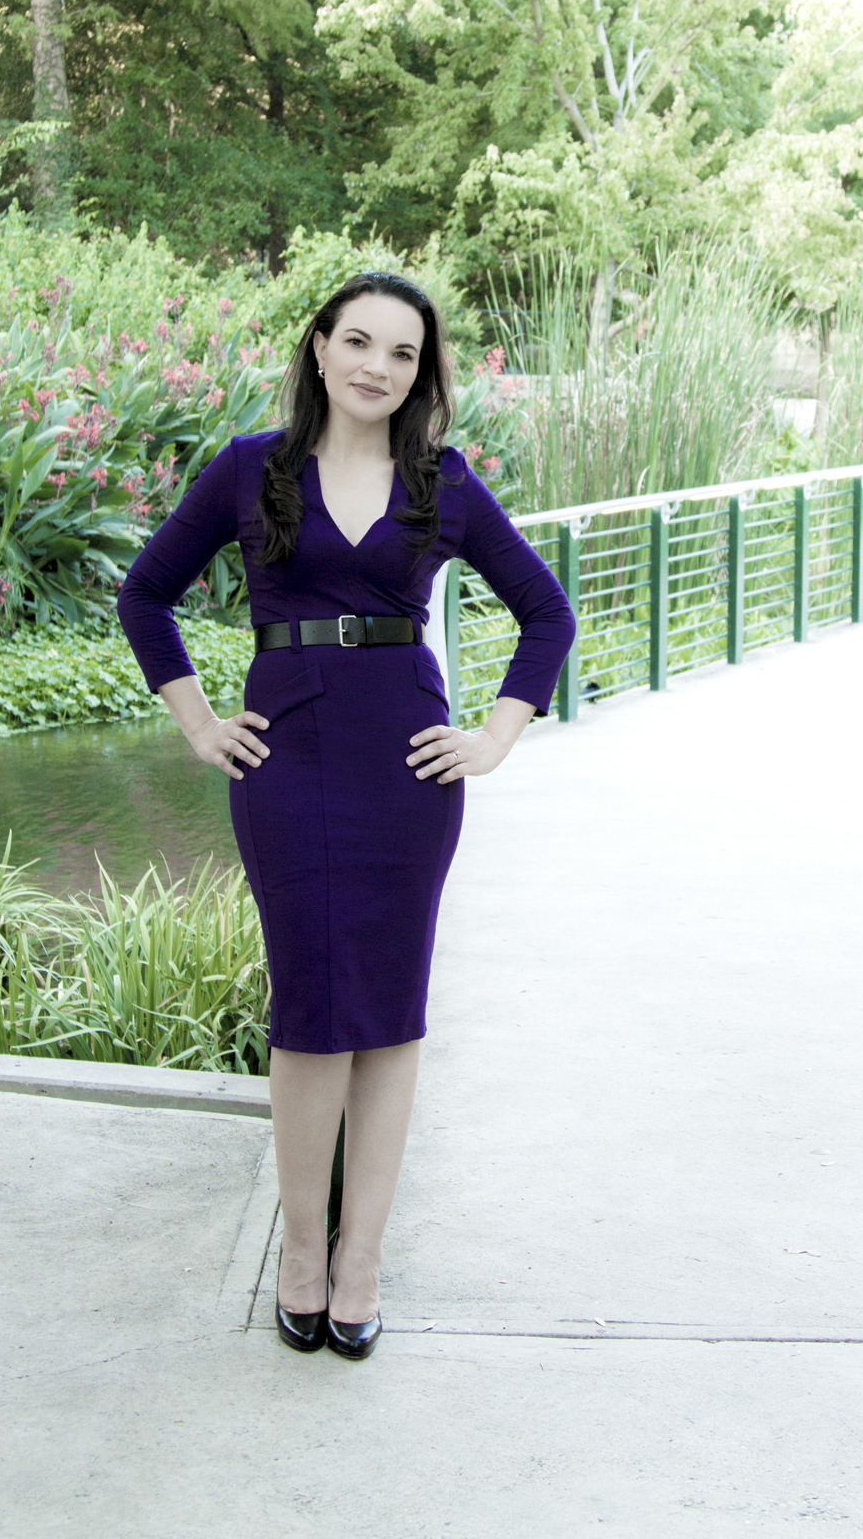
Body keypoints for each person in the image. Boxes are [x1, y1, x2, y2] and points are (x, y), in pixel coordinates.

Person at [116, 274, 575, 1360]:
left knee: (393, 1013)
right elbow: (147, 593)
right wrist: (194, 723)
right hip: (285, 753)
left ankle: (362, 1256)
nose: (377, 364)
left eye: (402, 352)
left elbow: (544, 611)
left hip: (407, 763)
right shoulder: (248, 468)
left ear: (422, 373)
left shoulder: (443, 481)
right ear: (319, 348)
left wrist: (495, 735)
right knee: (312, 1003)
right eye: (357, 340)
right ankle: (304, 1254)